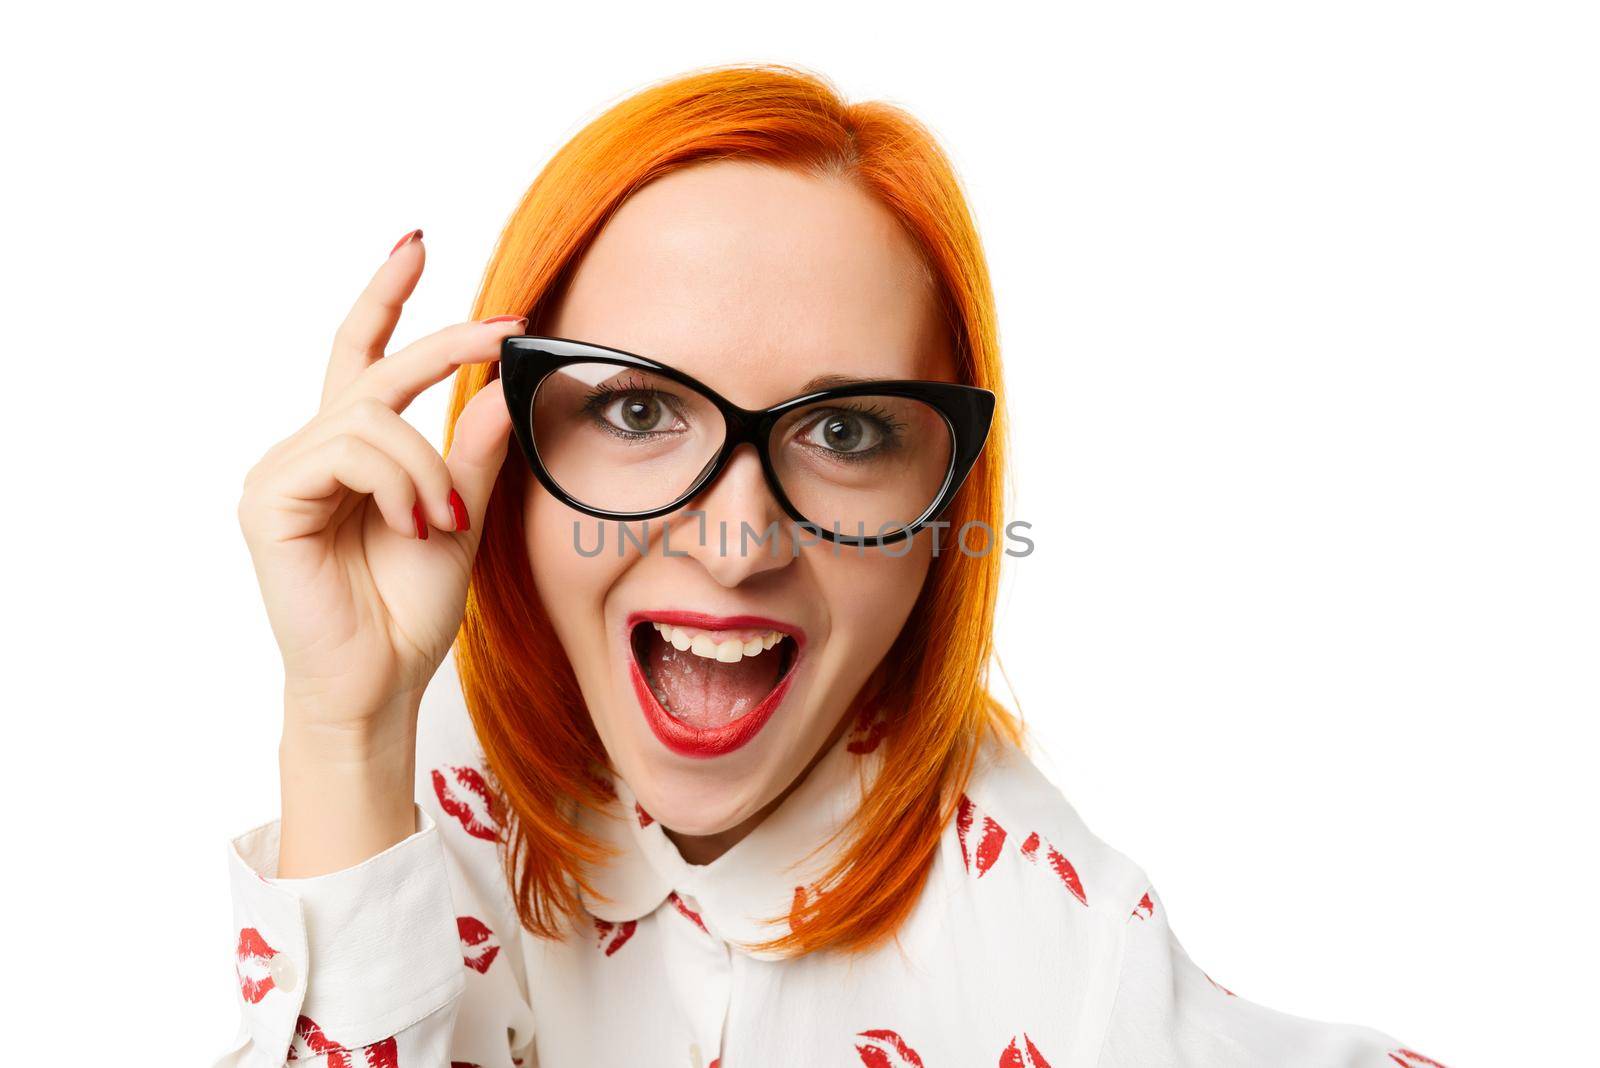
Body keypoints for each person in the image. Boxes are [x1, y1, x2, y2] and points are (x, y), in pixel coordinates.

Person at [219, 63, 1447, 1067]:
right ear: (507, 440)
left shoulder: (1045, 932)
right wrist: (343, 736)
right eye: (639, 412)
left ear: (945, 510)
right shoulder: (410, 789)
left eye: (846, 432)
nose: (737, 543)